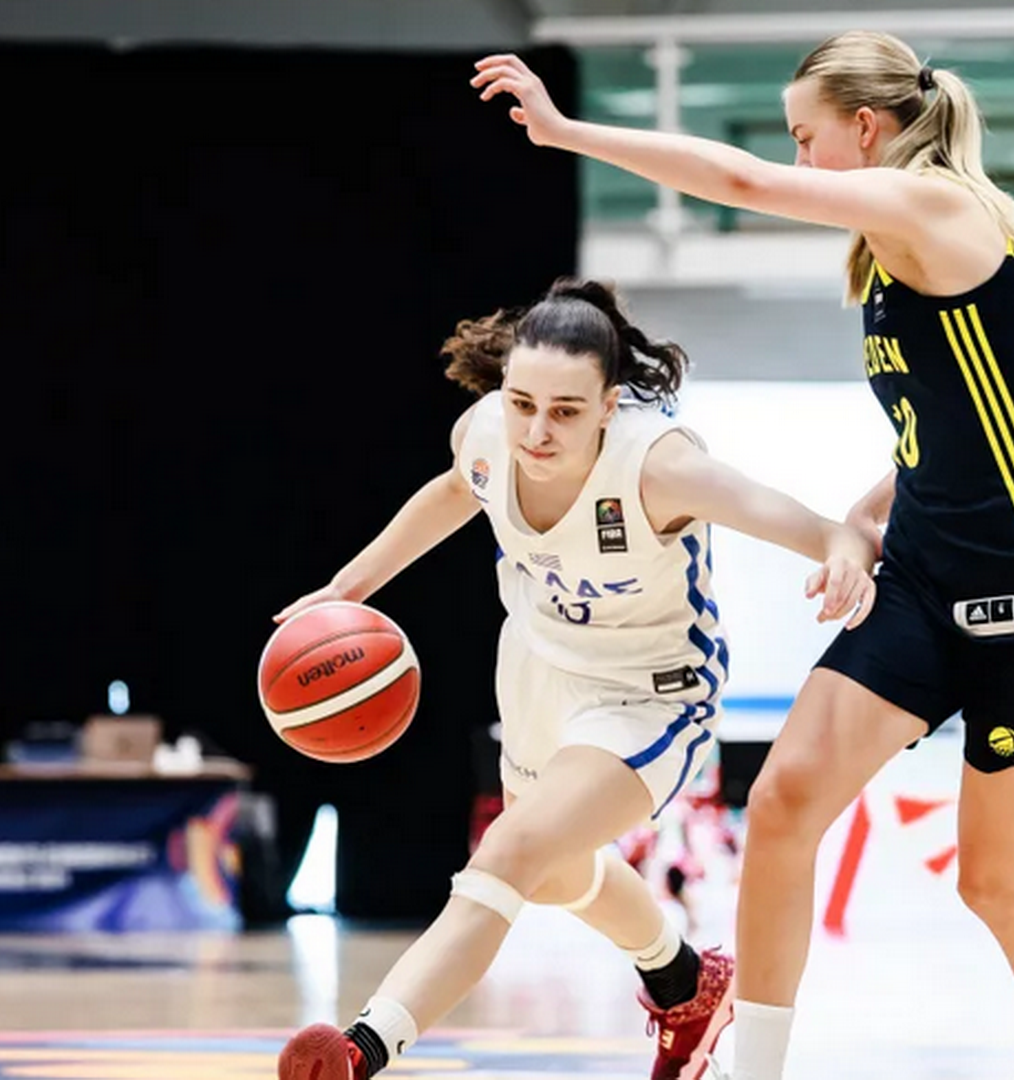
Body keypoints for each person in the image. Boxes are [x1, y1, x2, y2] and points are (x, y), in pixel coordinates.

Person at [474, 30, 1014, 1080]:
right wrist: (862, 516)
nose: (798, 157)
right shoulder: (893, 253)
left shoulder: (935, 209)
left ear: (865, 128)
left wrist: (564, 134)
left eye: (805, 136)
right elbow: (958, 423)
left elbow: (740, 183)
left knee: (992, 879)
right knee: (783, 805)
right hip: (925, 577)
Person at [274, 277, 877, 1080]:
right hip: (539, 667)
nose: (536, 431)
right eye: (523, 403)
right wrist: (347, 588)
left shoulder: (659, 467)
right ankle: (686, 983)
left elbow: (818, 528)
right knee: (552, 876)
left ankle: (361, 1048)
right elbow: (456, 490)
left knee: (509, 852)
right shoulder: (486, 434)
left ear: (608, 405)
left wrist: (844, 554)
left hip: (647, 691)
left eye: (564, 411)